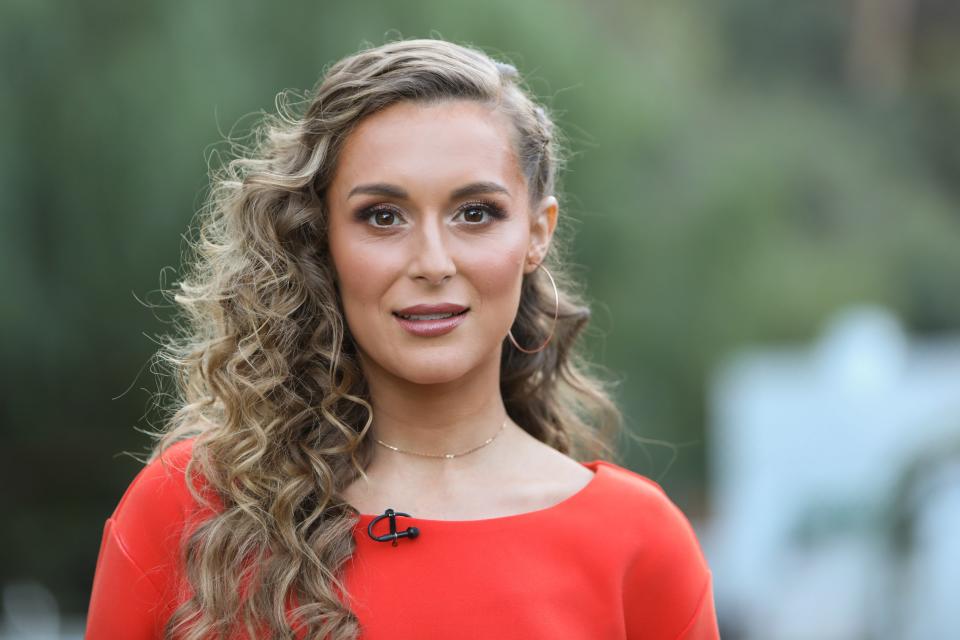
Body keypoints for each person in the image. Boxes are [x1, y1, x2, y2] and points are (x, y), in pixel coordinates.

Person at [85, 37, 720, 639]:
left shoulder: (639, 543)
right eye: (382, 216)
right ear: (322, 239)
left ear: (536, 233)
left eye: (475, 213)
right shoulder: (188, 508)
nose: (433, 261)